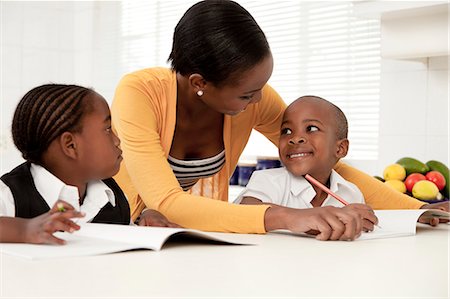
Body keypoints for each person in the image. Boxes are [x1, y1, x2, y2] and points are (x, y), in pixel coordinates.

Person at [111, 0, 446, 240]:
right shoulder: (140, 93)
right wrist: (292, 216)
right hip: (119, 229)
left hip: (190, 236)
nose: (259, 101)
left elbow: (323, 159)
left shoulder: (256, 98)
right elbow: (166, 200)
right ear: (200, 83)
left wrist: (418, 209)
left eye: (260, 88)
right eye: (246, 95)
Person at [0, 84, 178, 244]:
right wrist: (24, 230)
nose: (117, 140)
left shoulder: (113, 197)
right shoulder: (11, 193)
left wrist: (144, 220)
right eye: (108, 129)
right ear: (70, 145)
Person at [236, 96, 366, 209]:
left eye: (311, 128)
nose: (295, 138)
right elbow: (245, 213)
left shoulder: (352, 194)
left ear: (340, 149)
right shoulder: (268, 180)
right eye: (286, 131)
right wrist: (308, 218)